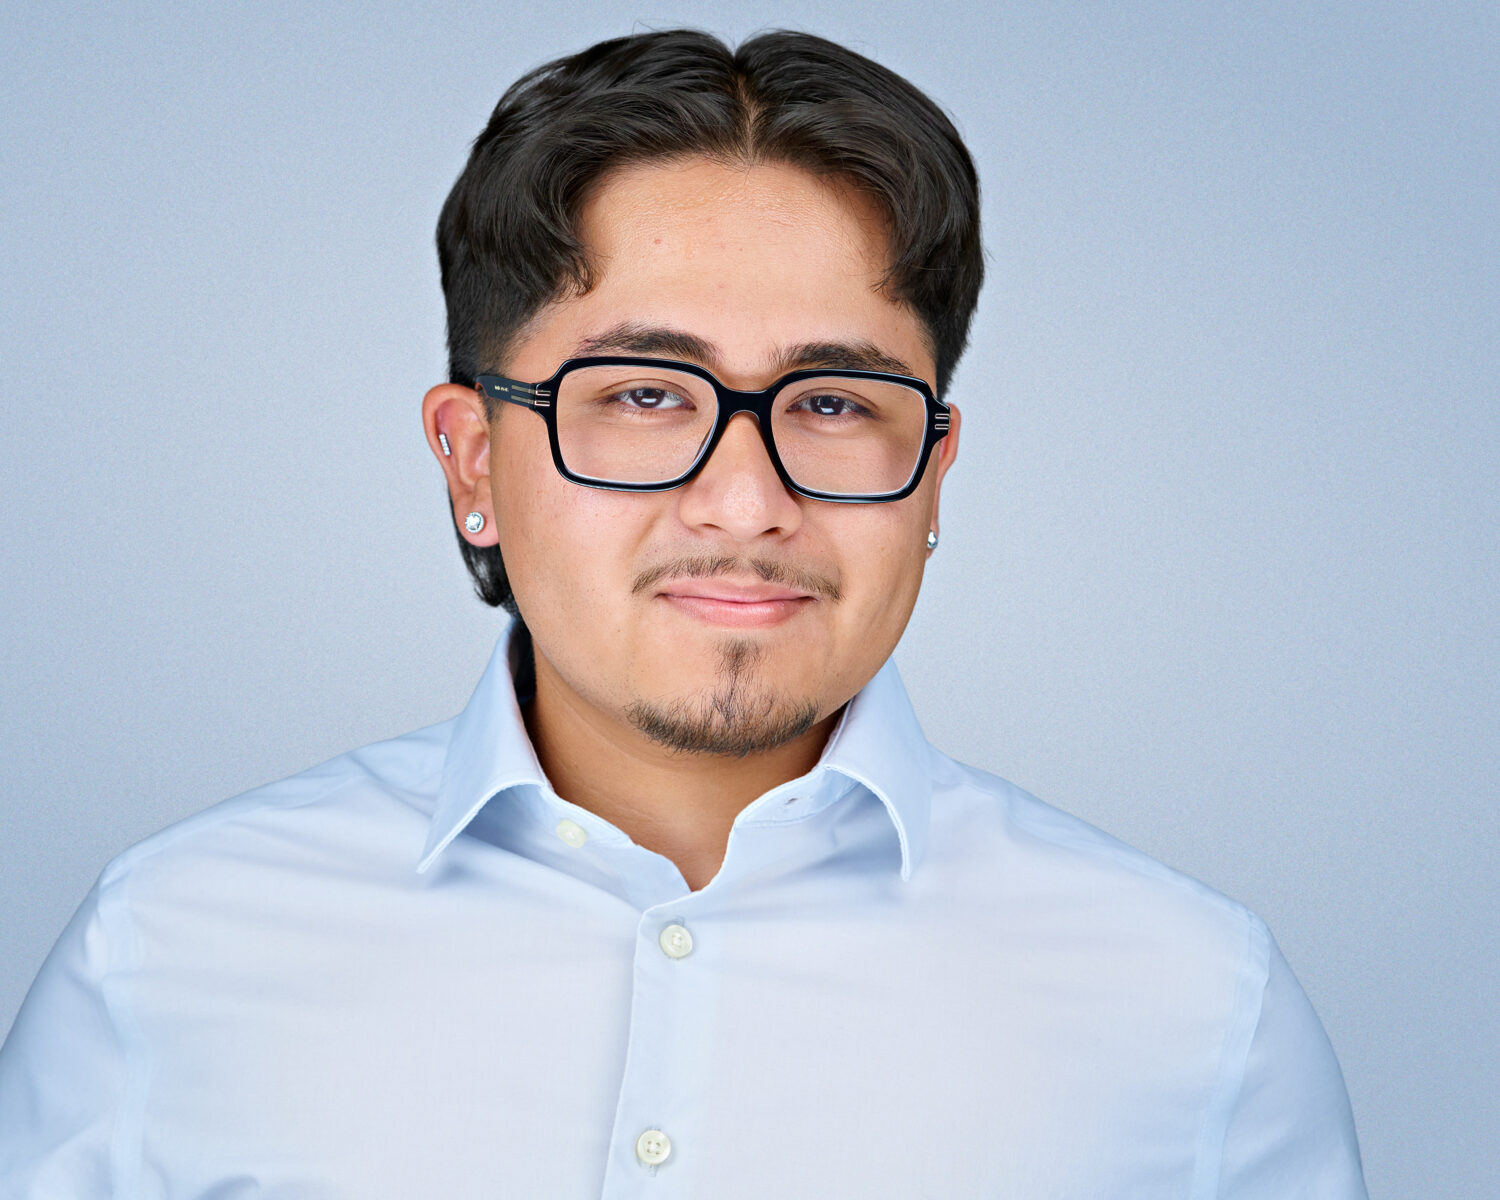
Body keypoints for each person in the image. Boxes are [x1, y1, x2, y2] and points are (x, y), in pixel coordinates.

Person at [0, 29, 1367, 1198]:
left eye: (833, 404)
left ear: (935, 474)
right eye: (647, 395)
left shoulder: (1195, 1011)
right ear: (474, 458)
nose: (744, 501)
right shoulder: (168, 951)